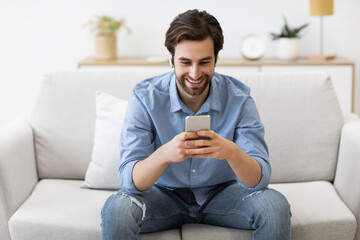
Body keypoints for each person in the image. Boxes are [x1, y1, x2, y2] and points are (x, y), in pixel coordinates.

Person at [101, 9, 291, 240]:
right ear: (171, 57)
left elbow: (259, 181)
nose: (194, 73)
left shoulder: (239, 99)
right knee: (117, 208)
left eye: (204, 62)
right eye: (185, 62)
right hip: (161, 197)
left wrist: (230, 151)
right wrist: (164, 155)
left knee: (274, 205)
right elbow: (130, 183)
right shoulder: (145, 98)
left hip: (223, 195)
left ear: (216, 59)